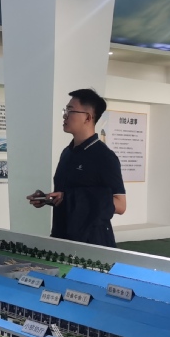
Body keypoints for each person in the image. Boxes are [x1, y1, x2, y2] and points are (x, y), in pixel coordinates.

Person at [27, 88, 126, 246]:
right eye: (65, 110)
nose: (65, 115)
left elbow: (120, 205)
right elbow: (69, 196)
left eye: (70, 110)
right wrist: (48, 199)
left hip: (92, 242)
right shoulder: (67, 153)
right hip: (61, 236)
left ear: (88, 117)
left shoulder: (105, 157)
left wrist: (70, 197)